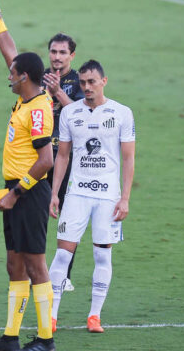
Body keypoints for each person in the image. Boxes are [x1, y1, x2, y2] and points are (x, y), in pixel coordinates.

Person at [0, 0, 83, 292]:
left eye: (62, 52)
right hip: (35, 162)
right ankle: (41, 282)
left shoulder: (78, 82)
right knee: (28, 241)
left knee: (68, 219)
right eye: (52, 51)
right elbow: (10, 53)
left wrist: (59, 95)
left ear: (71, 56)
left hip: (61, 159)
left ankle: (62, 273)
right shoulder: (37, 79)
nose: (56, 57)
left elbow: (83, 118)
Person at [0, 0, 56, 351]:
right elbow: (12, 52)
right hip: (15, 188)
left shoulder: (39, 109)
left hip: (30, 190)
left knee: (36, 264)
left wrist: (15, 193)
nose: (8, 74)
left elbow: (46, 162)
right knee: (14, 263)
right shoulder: (26, 92)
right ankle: (11, 337)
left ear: (24, 77)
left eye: (13, 73)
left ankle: (45, 339)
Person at [48, 60, 136, 333]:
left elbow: (129, 157)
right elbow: (62, 156)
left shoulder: (122, 113)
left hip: (108, 197)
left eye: (92, 82)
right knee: (63, 255)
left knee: (102, 256)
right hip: (76, 194)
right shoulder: (69, 112)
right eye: (83, 82)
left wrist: (125, 198)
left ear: (104, 81)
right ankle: (50, 316)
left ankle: (94, 316)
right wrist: (54, 194)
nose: (86, 87)